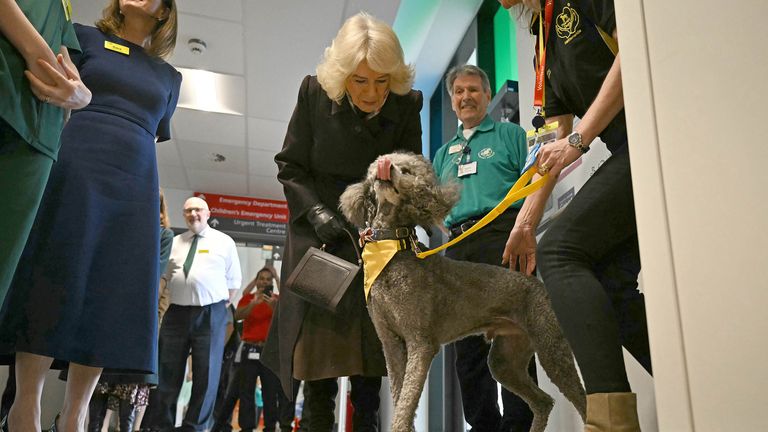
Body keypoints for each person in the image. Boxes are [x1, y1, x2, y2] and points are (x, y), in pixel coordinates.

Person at [0, 0, 179, 431]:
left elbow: (156, 132)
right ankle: (27, 404)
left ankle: (76, 414)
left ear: (164, 12)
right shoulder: (84, 37)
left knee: (110, 289)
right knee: (53, 271)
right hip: (76, 161)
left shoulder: (171, 77)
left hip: (135, 180)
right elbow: (53, 86)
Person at [262, 12, 423, 432]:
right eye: (361, 81)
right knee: (320, 367)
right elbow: (290, 166)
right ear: (343, 76)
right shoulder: (314, 93)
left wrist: (397, 186)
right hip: (319, 235)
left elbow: (414, 170)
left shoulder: (408, 103)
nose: (372, 94)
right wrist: (316, 212)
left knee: (372, 362)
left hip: (376, 239)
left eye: (382, 82)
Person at [499, 1, 651, 430]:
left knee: (560, 252)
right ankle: (702, 385)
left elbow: (633, 51)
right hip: (628, 149)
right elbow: (554, 133)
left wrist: (582, 139)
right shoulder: (541, 35)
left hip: (657, 130)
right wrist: (526, 220)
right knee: (609, 290)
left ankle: (608, 425)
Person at [432, 64, 535, 432]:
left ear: (487, 96)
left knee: (512, 338)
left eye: (473, 90)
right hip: (458, 250)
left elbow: (534, 183)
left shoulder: (510, 135)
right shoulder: (444, 154)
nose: (466, 97)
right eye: (458, 92)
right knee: (468, 349)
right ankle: (483, 426)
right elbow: (434, 206)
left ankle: (519, 425)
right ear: (452, 101)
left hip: (503, 238)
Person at [0, 0, 91, 304]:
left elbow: (63, 59)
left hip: (37, 134)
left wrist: (82, 95)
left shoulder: (62, 6)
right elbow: (48, 58)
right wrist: (38, 55)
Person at [143, 196, 242, 431]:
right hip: (175, 313)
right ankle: (162, 426)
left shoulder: (224, 241)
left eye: (198, 210)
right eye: (188, 210)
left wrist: (215, 305)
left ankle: (194, 427)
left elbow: (233, 283)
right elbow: (164, 277)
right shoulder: (175, 242)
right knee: (167, 372)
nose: (193, 214)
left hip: (210, 313)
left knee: (206, 374)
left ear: (208, 213)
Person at [87, 188, 176, 432]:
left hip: (137, 320)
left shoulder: (163, 235)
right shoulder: (123, 227)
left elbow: (153, 276)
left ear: (159, 209)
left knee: (130, 389)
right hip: (109, 317)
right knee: (99, 388)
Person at [234, 268, 294, 432]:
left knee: (270, 391)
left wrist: (274, 305)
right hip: (249, 348)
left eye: (268, 279)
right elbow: (237, 316)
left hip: (269, 350)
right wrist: (253, 303)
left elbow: (285, 318)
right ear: (256, 280)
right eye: (262, 279)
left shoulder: (277, 300)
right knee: (246, 390)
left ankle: (270, 426)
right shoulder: (248, 298)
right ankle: (246, 426)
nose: (265, 282)